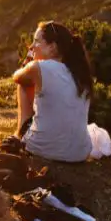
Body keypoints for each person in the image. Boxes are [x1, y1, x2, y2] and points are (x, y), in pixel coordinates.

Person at [12, 21, 93, 162]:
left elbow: (17, 77)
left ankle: (20, 135)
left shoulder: (39, 68)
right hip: (80, 154)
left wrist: (28, 62)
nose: (31, 46)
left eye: (36, 41)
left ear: (52, 48)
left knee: (24, 84)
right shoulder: (80, 74)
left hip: (42, 149)